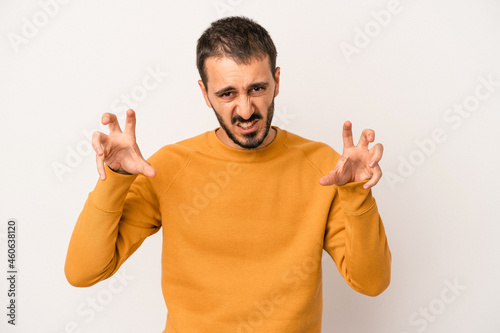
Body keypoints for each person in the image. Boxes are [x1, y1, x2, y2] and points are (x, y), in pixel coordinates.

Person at [65, 16, 391, 333]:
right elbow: (83, 272)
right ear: (205, 93)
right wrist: (115, 179)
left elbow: (371, 283)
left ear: (276, 81)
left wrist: (357, 193)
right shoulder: (168, 167)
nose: (246, 110)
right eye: (227, 94)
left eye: (257, 88)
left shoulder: (324, 167)